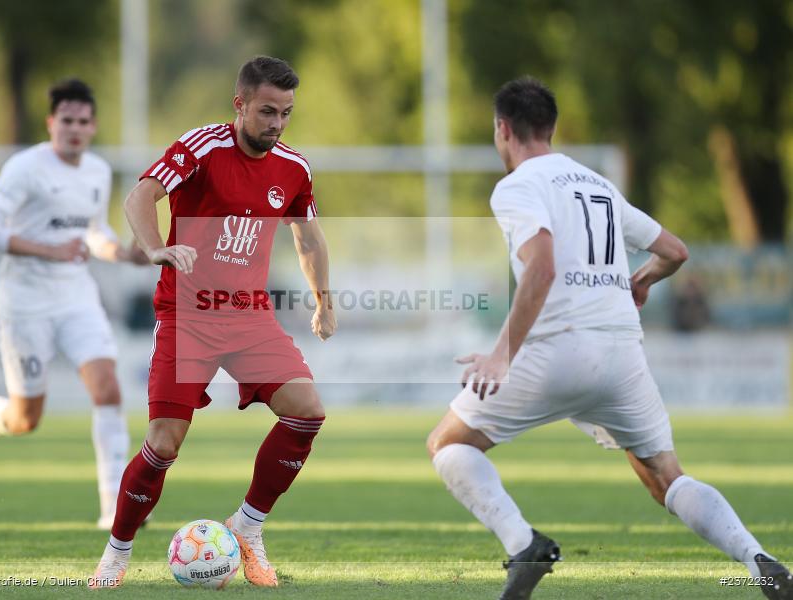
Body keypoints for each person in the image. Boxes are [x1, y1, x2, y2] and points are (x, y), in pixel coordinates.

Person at [425, 77, 791, 600]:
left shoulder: (517, 185)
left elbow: (542, 267)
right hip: (623, 357)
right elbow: (675, 251)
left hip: (559, 350)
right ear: (550, 127)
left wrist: (501, 355)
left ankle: (523, 543)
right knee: (667, 477)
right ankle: (759, 562)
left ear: (503, 130)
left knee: (446, 443)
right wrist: (639, 280)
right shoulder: (597, 184)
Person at [89, 56, 335, 589]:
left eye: (286, 113)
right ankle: (117, 552)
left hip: (249, 319)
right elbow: (140, 196)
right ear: (239, 104)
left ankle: (247, 527)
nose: (276, 123)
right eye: (267, 111)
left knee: (307, 413)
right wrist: (155, 248)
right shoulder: (202, 147)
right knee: (164, 443)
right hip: (188, 319)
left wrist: (324, 300)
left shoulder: (294, 167)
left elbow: (309, 237)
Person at [0, 79, 149, 530]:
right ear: (51, 123)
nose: (75, 129)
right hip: (24, 304)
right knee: (25, 418)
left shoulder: (97, 171)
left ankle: (115, 509)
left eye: (83, 122)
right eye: (66, 120)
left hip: (76, 297)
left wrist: (124, 253)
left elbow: (92, 233)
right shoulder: (24, 168)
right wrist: (50, 250)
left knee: (108, 388)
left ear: (93, 126)